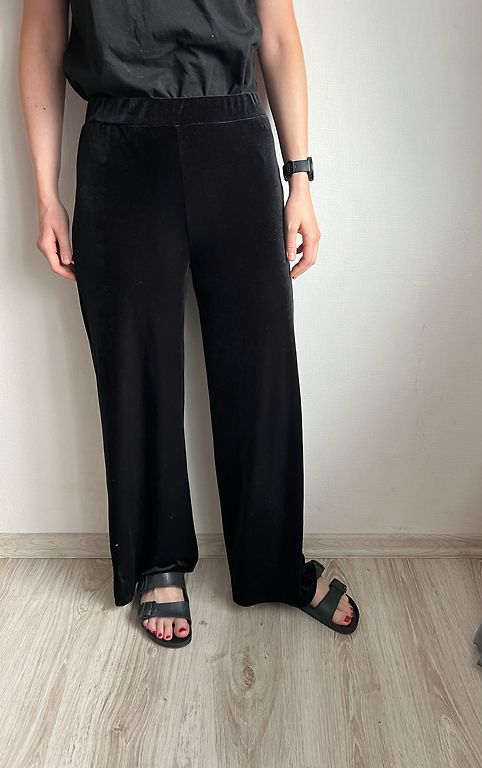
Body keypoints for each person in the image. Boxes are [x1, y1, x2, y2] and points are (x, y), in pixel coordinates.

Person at [19, 0, 360, 647]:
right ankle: (156, 559)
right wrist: (44, 194)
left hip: (234, 136)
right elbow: (42, 37)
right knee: (135, 368)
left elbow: (278, 37)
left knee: (261, 368)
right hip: (119, 143)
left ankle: (273, 562)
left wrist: (301, 178)